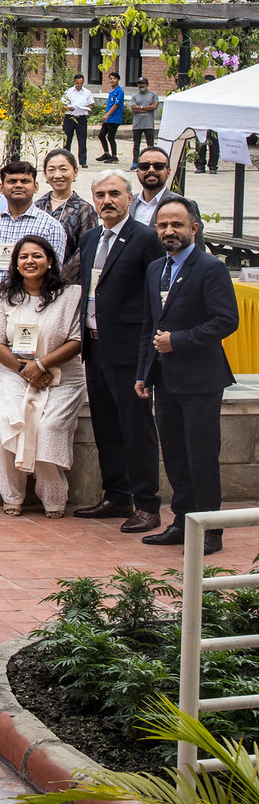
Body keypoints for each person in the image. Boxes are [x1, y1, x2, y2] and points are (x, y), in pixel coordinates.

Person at [137, 196, 240, 553]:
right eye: (163, 225)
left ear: (193, 228)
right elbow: (151, 326)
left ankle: (211, 530)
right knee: (176, 455)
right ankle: (182, 522)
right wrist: (143, 373)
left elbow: (226, 320)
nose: (169, 231)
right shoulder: (155, 269)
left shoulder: (210, 268)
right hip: (165, 380)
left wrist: (177, 342)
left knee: (201, 456)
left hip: (201, 380)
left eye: (177, 224)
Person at [72, 170, 168, 533]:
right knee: (107, 427)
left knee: (136, 429)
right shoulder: (90, 237)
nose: (107, 201)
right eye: (100, 195)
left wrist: (149, 355)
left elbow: (156, 298)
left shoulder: (145, 239)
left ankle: (147, 505)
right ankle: (117, 495)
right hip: (95, 348)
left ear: (129, 198)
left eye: (114, 194)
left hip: (130, 352)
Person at [0, 235, 84, 518]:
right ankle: (12, 494)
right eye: (23, 257)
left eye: (37, 255)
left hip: (62, 374)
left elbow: (76, 341)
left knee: (47, 426)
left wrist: (40, 365)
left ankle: (53, 496)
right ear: (15, 264)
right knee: (5, 421)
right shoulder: (5, 298)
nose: (30, 261)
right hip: (15, 373)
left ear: (50, 260)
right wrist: (23, 369)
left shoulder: (70, 296)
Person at [0, 159, 69, 288]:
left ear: (36, 187)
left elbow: (54, 273)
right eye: (12, 181)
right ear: (1, 187)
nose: (18, 185)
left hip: (32, 302)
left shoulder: (51, 227)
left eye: (25, 181)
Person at [34, 149, 94, 268]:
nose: (57, 175)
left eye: (63, 169)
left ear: (75, 172)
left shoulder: (84, 210)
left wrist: (58, 277)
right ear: (45, 174)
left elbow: (85, 250)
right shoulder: (37, 206)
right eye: (51, 170)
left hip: (68, 281)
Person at [129, 146, 176, 228]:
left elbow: (195, 240)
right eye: (144, 166)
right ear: (137, 172)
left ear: (168, 172)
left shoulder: (182, 205)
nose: (151, 170)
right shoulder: (127, 204)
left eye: (158, 166)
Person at [60, 73, 94, 164]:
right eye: (77, 83)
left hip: (81, 118)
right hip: (70, 117)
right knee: (67, 139)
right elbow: (62, 105)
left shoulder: (87, 92)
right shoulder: (68, 92)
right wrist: (68, 108)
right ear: (74, 82)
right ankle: (66, 159)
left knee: (82, 140)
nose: (79, 85)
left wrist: (88, 107)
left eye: (81, 83)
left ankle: (83, 161)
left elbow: (91, 105)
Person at [129, 77, 161, 162]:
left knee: (150, 145)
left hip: (149, 124)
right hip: (137, 124)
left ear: (147, 84)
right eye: (139, 83)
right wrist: (147, 107)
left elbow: (154, 106)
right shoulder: (135, 96)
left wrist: (141, 107)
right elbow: (134, 108)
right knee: (136, 145)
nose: (141, 85)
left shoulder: (153, 95)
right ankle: (135, 162)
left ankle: (151, 160)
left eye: (143, 83)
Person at [98, 78, 126, 163]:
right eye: (110, 78)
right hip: (108, 119)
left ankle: (114, 156)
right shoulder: (111, 91)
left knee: (110, 137)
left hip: (114, 118)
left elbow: (116, 105)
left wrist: (107, 114)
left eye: (114, 79)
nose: (112, 80)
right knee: (101, 135)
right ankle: (106, 153)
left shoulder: (119, 91)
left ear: (118, 80)